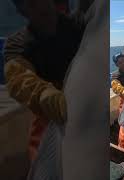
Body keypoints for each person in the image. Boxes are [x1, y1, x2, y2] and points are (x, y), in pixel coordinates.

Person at [3, 0, 90, 162]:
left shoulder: (81, 25)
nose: (40, 5)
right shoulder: (16, 44)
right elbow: (19, 80)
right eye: (30, 4)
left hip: (86, 103)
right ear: (22, 11)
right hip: (48, 115)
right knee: (40, 160)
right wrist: (50, 97)